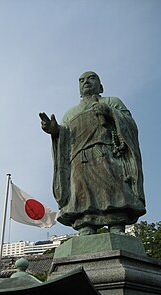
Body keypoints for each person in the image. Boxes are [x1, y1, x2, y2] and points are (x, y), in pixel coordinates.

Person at [39, 71, 146, 235]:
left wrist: (110, 112)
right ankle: (85, 226)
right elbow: (65, 138)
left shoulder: (112, 101)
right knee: (82, 195)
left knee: (113, 190)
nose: (86, 82)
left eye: (91, 78)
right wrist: (55, 132)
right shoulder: (70, 113)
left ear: (100, 86)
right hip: (79, 161)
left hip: (106, 154)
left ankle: (116, 225)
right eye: (81, 80)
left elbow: (129, 124)